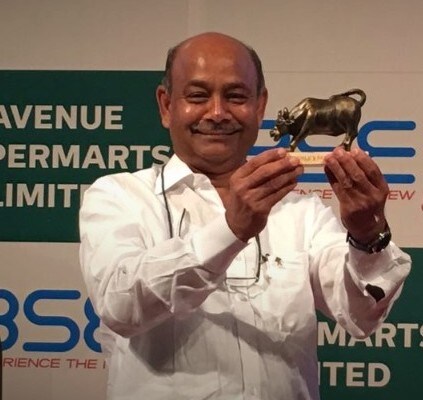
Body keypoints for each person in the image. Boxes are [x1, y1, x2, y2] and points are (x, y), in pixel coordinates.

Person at [79, 32, 411, 400]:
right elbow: (121, 307)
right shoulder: (119, 196)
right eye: (198, 96)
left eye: (236, 97)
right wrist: (231, 229)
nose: (217, 113)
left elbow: (362, 316)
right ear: (166, 105)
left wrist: (367, 235)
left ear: (259, 105)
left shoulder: (300, 212)